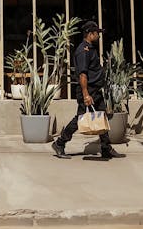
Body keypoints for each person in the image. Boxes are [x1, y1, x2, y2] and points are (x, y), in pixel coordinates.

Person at [51, 20, 125, 161]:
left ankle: (105, 148)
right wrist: (86, 94)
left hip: (95, 90)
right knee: (80, 118)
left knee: (101, 116)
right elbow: (83, 75)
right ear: (90, 34)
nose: (99, 36)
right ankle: (59, 143)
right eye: (97, 33)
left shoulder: (90, 48)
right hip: (88, 90)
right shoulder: (83, 51)